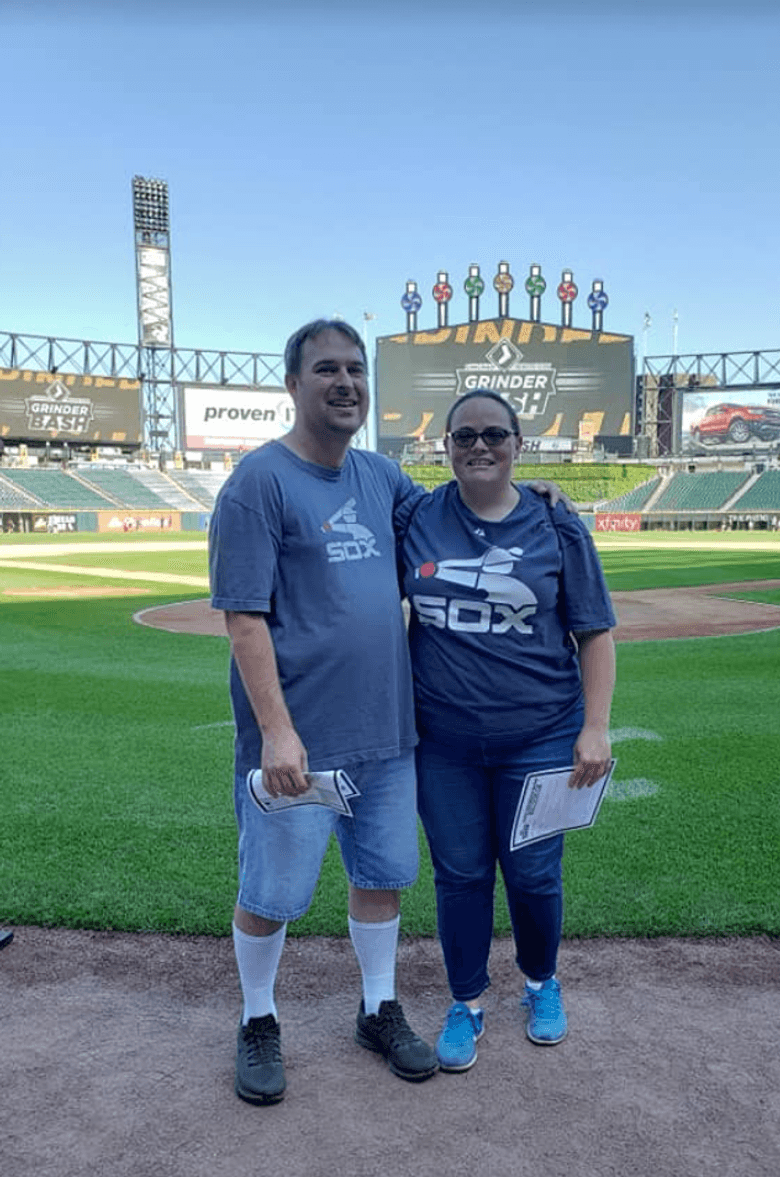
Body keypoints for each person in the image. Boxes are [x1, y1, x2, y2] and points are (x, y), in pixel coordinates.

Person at [209, 322, 570, 1105]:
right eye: (325, 369)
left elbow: (457, 505)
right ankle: (258, 1018)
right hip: (299, 740)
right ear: (294, 385)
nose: (344, 382)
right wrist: (275, 730)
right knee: (272, 894)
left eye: (354, 369)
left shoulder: (379, 477)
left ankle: (377, 1008)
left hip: (390, 734)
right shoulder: (257, 482)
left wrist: (528, 494)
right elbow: (244, 619)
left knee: (382, 879)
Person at [399, 389, 617, 1072]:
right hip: (444, 741)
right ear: (446, 448)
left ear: (519, 445)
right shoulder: (415, 515)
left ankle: (539, 982)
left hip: (542, 734)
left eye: (494, 434)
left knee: (532, 874)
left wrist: (597, 726)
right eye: (464, 436)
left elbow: (595, 631)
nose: (479, 446)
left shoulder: (556, 525)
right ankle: (466, 1001)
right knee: (459, 874)